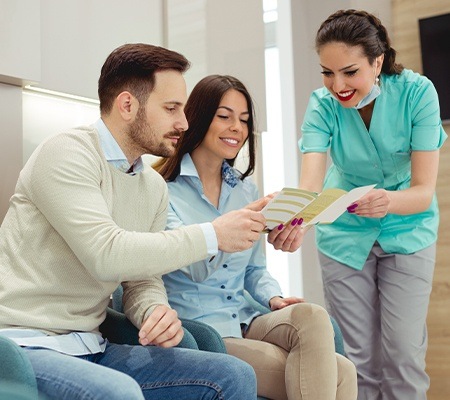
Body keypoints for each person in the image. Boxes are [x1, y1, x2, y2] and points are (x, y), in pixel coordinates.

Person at [0, 43, 270, 400]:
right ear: (127, 105)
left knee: (233, 376)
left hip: (93, 344)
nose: (184, 123)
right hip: (25, 344)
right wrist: (213, 235)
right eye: (172, 108)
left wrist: (154, 311)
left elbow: (141, 278)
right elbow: (106, 253)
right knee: (119, 392)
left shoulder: (151, 186)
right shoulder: (66, 154)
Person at [155, 74, 358, 400]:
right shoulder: (162, 191)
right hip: (204, 330)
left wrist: (274, 298)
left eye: (244, 120)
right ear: (198, 118)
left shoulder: (244, 188)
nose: (236, 127)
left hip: (247, 319)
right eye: (224, 116)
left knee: (314, 317)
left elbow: (254, 270)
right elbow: (194, 267)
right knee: (340, 373)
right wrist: (233, 225)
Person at [298, 9, 448, 400]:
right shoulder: (322, 105)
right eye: (327, 73)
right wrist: (294, 219)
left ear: (377, 61)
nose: (338, 85)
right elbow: (310, 186)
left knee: (403, 356)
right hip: (344, 235)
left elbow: (423, 192)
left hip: (407, 229)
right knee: (356, 361)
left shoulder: (418, 94)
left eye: (350, 72)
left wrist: (387, 201)